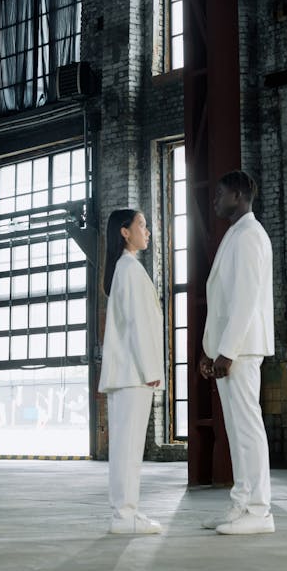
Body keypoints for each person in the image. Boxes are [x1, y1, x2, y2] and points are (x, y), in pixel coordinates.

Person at [199, 170, 275, 535]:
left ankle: (260, 512)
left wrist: (226, 351)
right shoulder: (235, 234)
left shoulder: (249, 237)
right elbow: (222, 302)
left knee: (247, 429)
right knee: (236, 429)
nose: (215, 199)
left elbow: (244, 300)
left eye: (220, 193)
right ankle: (241, 504)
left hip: (242, 350)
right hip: (230, 349)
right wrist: (209, 349)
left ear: (240, 195)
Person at [99, 208, 164, 535]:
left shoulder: (127, 269)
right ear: (125, 232)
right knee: (127, 448)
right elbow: (138, 324)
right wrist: (152, 368)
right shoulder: (129, 270)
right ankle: (124, 516)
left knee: (129, 447)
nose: (147, 230)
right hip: (133, 374)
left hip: (130, 372)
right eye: (141, 224)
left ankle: (128, 512)